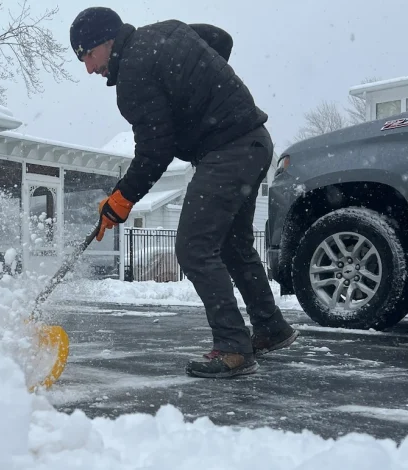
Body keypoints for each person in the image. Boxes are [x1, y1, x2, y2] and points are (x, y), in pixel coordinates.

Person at [70, 7, 298, 378]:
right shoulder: (167, 31)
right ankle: (270, 327)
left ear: (107, 40)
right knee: (234, 244)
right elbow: (220, 39)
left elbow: (155, 150)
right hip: (255, 142)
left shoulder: (133, 73)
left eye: (88, 55)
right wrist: (199, 87)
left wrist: (122, 198)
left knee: (194, 247)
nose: (89, 68)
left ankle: (233, 347)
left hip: (227, 150)